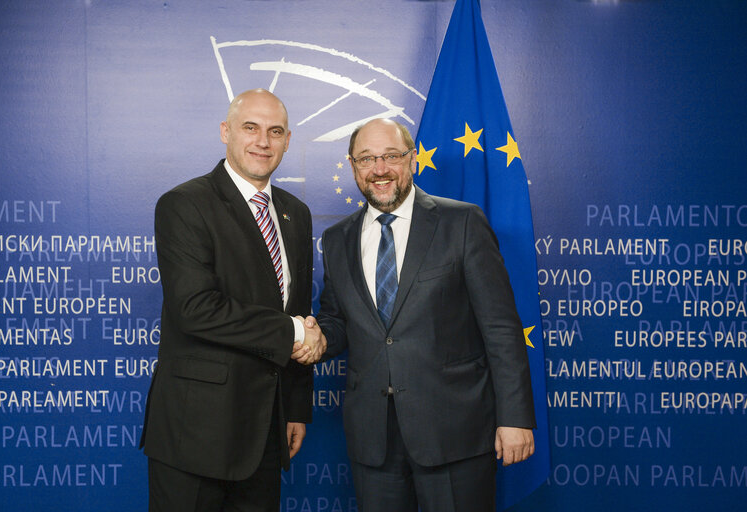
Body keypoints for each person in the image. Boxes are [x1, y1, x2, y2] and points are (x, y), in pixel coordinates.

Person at [306, 118, 536, 511]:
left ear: (411, 159)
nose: (379, 169)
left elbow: (500, 328)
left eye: (391, 156)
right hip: (373, 440)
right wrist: (320, 338)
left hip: (455, 433)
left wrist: (515, 418)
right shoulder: (337, 239)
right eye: (366, 159)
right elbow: (339, 319)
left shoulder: (461, 222)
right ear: (352, 165)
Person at [140, 88, 325, 512]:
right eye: (250, 128)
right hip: (195, 435)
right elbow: (195, 309)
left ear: (288, 140)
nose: (263, 141)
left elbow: (297, 308)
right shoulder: (185, 204)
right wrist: (294, 331)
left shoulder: (295, 213)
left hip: (265, 432)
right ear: (226, 132)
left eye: (275, 131)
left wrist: (295, 407)